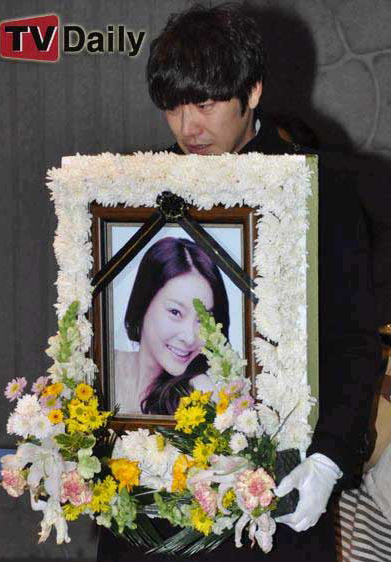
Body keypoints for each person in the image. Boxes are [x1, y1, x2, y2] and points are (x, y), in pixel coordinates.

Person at [98, 4, 382, 561]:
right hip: (150, 496)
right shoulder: (139, 188)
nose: (188, 128)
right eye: (173, 108)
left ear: (251, 92)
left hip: (272, 492)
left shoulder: (319, 188)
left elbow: (353, 342)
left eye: (204, 105)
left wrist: (327, 460)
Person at [114, 236, 229, 415]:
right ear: (143, 303)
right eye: (175, 312)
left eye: (203, 320)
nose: (190, 338)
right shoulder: (96, 368)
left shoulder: (201, 394)